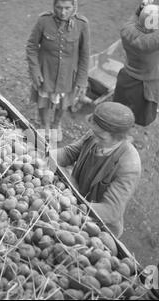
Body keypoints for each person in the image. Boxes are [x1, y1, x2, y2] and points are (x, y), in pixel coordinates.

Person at [49, 102, 142, 238]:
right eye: (93, 131)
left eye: (101, 137)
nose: (94, 138)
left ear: (119, 138)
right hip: (77, 197)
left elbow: (110, 210)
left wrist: (71, 205)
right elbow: (69, 153)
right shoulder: (95, 134)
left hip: (98, 224)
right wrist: (43, 157)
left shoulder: (129, 166)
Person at [26, 0, 90, 141]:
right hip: (46, 72)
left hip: (68, 75)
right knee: (43, 100)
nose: (63, 12)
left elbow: (85, 54)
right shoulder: (43, 21)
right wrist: (35, 71)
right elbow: (31, 46)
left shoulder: (82, 24)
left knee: (64, 102)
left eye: (67, 8)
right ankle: (45, 125)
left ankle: (56, 124)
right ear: (53, 6)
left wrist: (82, 79)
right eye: (59, 7)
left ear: (74, 6)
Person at [113, 0, 159, 126]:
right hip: (145, 84)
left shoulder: (126, 31)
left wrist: (141, 8)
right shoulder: (153, 41)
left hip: (126, 77)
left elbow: (133, 18)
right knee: (138, 116)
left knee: (122, 112)